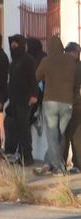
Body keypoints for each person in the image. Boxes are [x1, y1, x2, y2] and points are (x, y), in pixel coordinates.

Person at [33, 36, 79, 176]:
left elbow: (38, 76)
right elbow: (77, 78)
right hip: (67, 103)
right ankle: (48, 163)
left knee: (53, 136)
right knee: (59, 135)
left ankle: (58, 168)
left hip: (51, 102)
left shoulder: (46, 61)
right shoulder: (71, 60)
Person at [4, 34, 37, 167]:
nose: (13, 47)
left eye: (16, 45)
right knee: (16, 129)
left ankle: (27, 156)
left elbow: (33, 79)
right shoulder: (13, 63)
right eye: (12, 45)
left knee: (24, 129)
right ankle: (20, 155)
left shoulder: (28, 60)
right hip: (14, 100)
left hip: (25, 100)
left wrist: (33, 95)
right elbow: (11, 82)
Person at [63, 42, 81, 173]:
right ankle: (76, 164)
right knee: (74, 136)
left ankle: (62, 163)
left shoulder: (64, 67)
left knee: (66, 135)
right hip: (74, 104)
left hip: (70, 105)